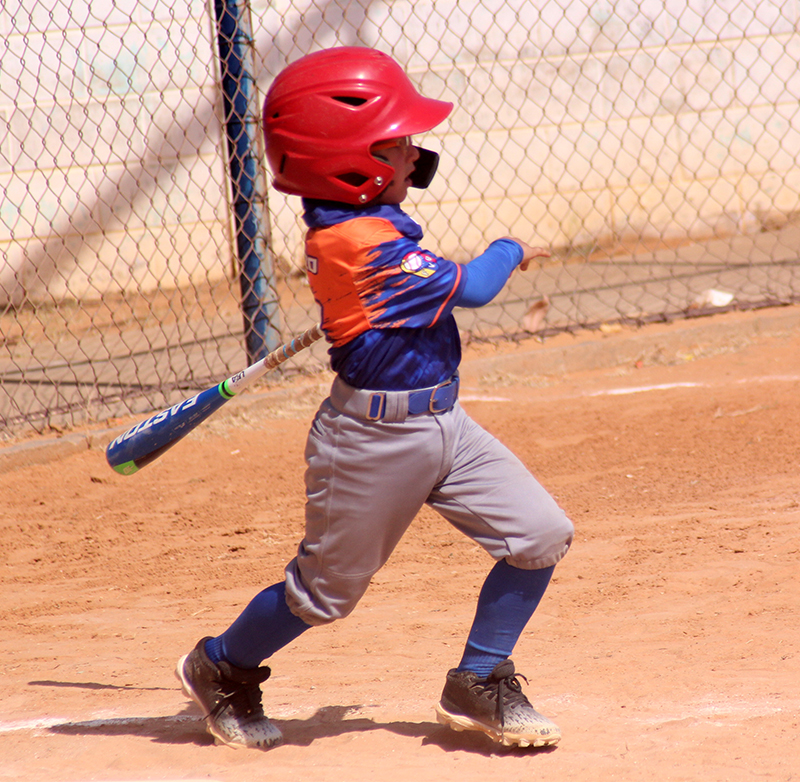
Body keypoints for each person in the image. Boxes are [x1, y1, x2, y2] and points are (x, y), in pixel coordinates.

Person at [175, 46, 574, 751]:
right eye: (397, 143)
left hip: (446, 424)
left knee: (540, 534)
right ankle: (223, 666)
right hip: (371, 444)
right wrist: (509, 247)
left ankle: (478, 678)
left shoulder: (362, 232)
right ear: (348, 164)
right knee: (325, 595)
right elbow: (478, 286)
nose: (415, 152)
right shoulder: (367, 245)